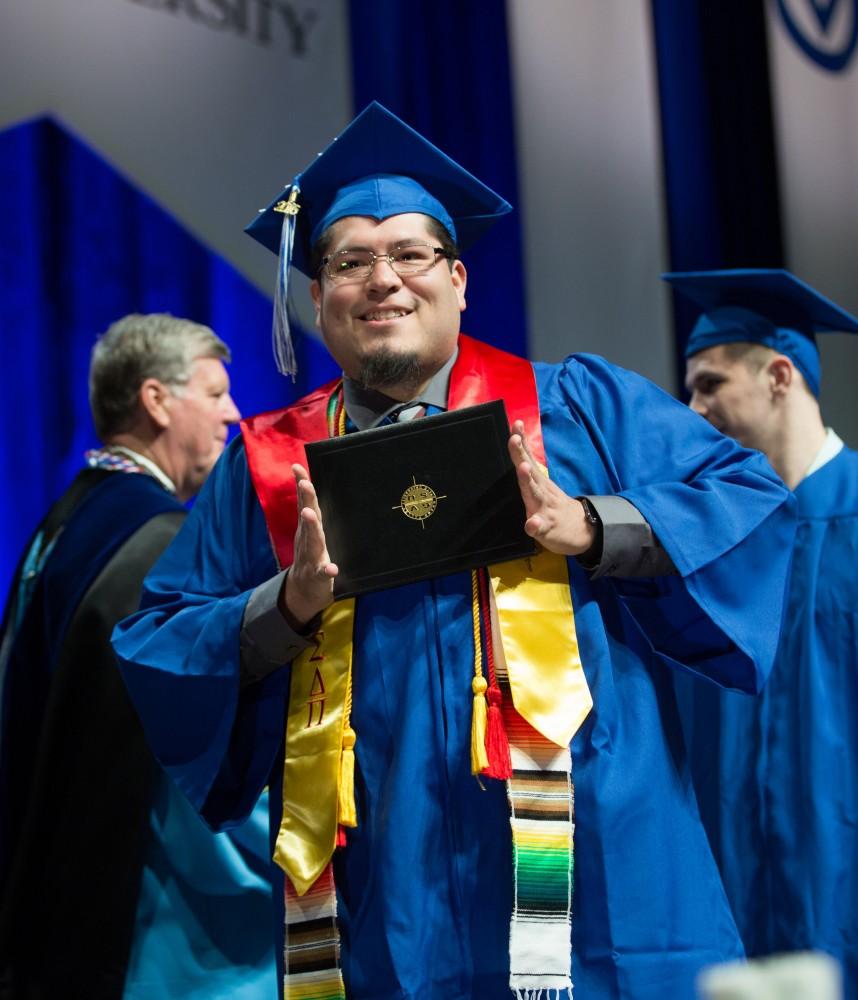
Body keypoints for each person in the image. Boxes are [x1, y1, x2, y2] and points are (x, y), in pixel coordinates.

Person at [113, 104, 796, 1000]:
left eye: (411, 255)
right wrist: (283, 607)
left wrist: (592, 525)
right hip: (383, 886)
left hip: (599, 870)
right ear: (317, 298)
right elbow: (156, 639)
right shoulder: (269, 466)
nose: (382, 280)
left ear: (460, 279)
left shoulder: (576, 408)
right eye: (349, 261)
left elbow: (747, 499)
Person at [0, 313, 276, 1000]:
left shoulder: (67, 523)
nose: (233, 414)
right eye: (214, 394)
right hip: (144, 924)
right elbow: (178, 770)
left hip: (48, 891)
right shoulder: (158, 547)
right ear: (156, 400)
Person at [665, 268, 858, 996]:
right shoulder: (712, 546)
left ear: (780, 375)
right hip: (737, 883)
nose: (693, 408)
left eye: (710, 384)